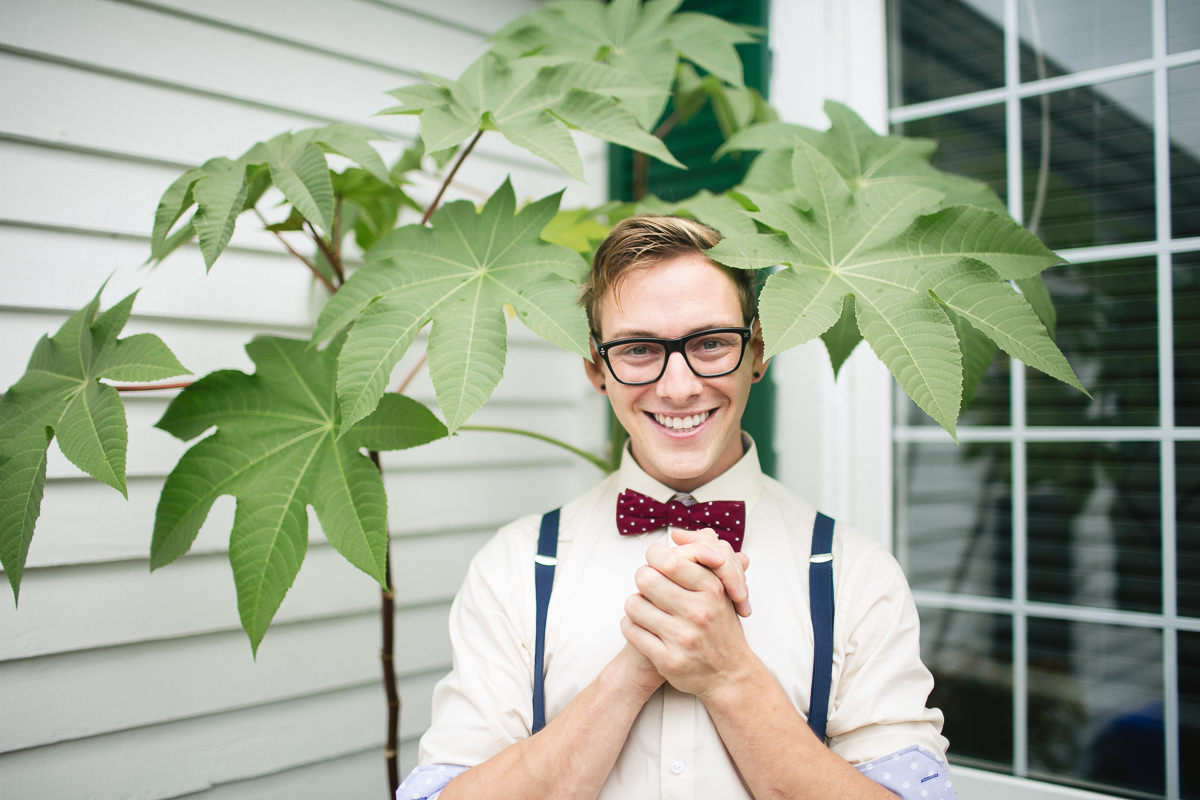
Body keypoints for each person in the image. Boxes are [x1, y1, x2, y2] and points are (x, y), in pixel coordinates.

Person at [397, 216, 957, 799]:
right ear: (596, 366)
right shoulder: (515, 568)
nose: (679, 387)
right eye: (639, 349)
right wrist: (633, 670)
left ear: (757, 350)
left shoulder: (857, 574)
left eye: (710, 343)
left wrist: (729, 676)